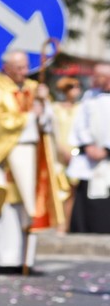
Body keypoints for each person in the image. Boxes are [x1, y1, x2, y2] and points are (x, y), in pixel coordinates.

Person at [0, 50, 63, 275]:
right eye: (19, 68)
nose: (24, 72)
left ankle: (26, 258)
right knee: (6, 208)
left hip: (32, 154)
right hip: (7, 155)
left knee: (29, 207)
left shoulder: (34, 88)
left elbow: (48, 122)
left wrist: (44, 103)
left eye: (26, 67)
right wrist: (30, 116)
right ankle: (6, 259)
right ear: (7, 68)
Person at [66, 67, 110, 233]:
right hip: (90, 155)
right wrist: (88, 145)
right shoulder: (89, 97)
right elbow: (80, 124)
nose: (93, 79)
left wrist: (106, 149)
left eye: (97, 76)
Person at [51, 77, 82, 233]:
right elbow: (52, 132)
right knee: (57, 189)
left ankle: (66, 224)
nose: (76, 90)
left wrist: (74, 152)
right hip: (57, 154)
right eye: (72, 87)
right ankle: (56, 223)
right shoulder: (55, 108)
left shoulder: (81, 108)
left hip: (75, 155)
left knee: (71, 191)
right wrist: (62, 149)